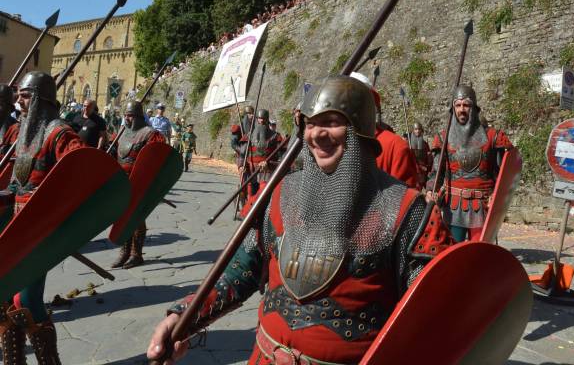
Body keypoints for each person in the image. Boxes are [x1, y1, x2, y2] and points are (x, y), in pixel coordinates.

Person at [147, 75, 450, 364]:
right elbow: (240, 272)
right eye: (311, 123)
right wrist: (183, 316)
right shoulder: (280, 193)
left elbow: (433, 319)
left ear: (360, 131)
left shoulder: (408, 211)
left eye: (331, 123)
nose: (317, 134)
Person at [0, 71, 84, 365]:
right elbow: (17, 184)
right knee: (5, 297)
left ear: (39, 98)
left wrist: (48, 202)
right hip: (17, 227)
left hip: (41, 230)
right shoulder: (27, 133)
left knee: (27, 300)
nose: (18, 102)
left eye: (24, 96)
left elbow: (81, 171)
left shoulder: (58, 133)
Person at [426, 85, 514, 242]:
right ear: (453, 108)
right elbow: (436, 172)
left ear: (474, 107)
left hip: (482, 205)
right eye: (458, 105)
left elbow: (505, 173)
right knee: (453, 253)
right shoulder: (443, 138)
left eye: (466, 105)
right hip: (453, 206)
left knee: (479, 254)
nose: (462, 109)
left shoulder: (492, 137)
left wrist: (498, 195)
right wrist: (430, 190)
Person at [111, 100, 166, 269]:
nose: (127, 119)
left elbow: (156, 158)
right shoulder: (121, 133)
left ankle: (137, 254)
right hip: (121, 182)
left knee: (136, 218)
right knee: (122, 217)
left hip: (139, 183)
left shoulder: (150, 134)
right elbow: (113, 155)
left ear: (138, 116)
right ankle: (125, 251)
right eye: (125, 115)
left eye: (130, 116)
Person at [408, 122, 433, 190]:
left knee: (427, 189)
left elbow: (428, 156)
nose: (418, 131)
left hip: (424, 170)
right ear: (413, 130)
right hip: (414, 169)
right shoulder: (409, 144)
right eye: (416, 129)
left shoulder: (425, 143)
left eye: (419, 129)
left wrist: (429, 163)